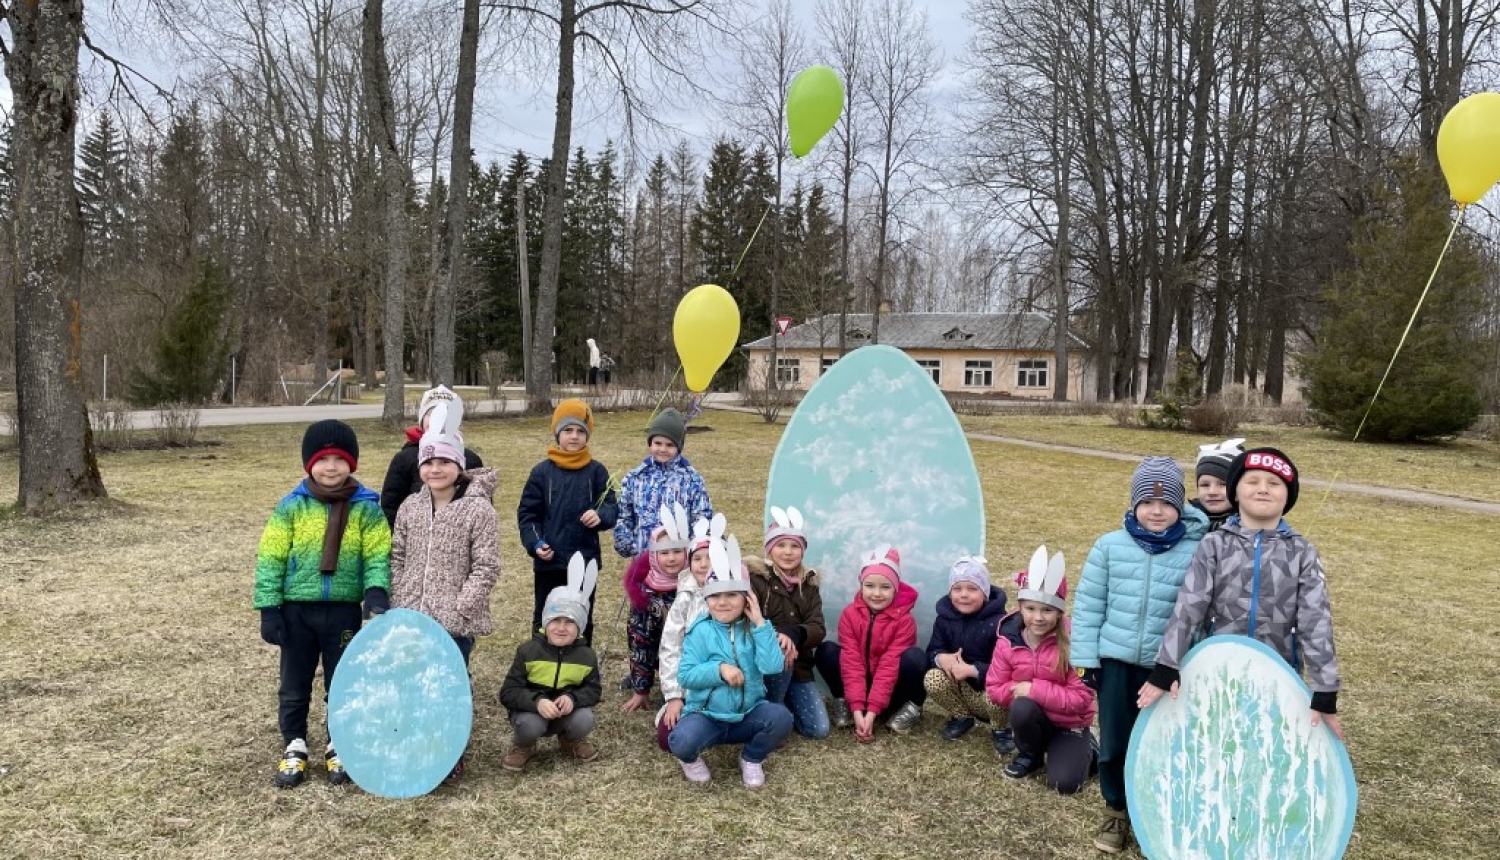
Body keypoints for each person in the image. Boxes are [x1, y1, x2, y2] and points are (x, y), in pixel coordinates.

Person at [1139, 447, 1343, 735]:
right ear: (1235, 493)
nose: (1263, 489)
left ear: (1288, 496)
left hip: (1278, 673)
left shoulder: (1302, 552)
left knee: (1266, 742)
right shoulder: (1214, 545)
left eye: (1274, 483)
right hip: (1216, 671)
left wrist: (1325, 688)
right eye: (1252, 481)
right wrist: (1166, 665)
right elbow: (1188, 607)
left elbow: (1316, 620)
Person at [1071, 456, 1208, 855]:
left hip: (1167, 668)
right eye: (1147, 502)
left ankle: (1156, 811)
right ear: (1134, 505)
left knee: (1165, 741)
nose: (1157, 511)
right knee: (1115, 741)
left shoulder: (1197, 550)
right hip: (1115, 663)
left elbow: (1198, 612)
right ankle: (1116, 810)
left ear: (1181, 507)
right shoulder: (1109, 546)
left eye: (1167, 503)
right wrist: (1087, 660)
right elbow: (1089, 606)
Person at [253, 419, 391, 789]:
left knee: (342, 681)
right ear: (309, 464)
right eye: (323, 459)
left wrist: (376, 591)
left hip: (343, 610)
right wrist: (270, 607)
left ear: (352, 464)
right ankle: (294, 743)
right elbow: (271, 557)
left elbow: (378, 554)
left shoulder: (367, 508)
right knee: (294, 682)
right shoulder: (292, 507)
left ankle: (338, 742)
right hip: (297, 611)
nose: (331, 467)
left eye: (339, 459)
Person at [390, 427, 501, 782]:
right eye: (428, 462)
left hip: (454, 620)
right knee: (414, 682)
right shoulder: (410, 506)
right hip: (412, 614)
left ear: (459, 464)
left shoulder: (478, 510)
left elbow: (486, 566)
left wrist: (462, 606)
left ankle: (450, 750)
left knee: (448, 685)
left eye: (444, 462)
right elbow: (397, 556)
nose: (435, 470)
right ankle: (416, 744)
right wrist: (399, 597)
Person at [667, 537, 794, 789]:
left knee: (781, 718)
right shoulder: (700, 630)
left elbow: (772, 667)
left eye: (732, 595)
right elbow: (686, 675)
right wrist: (719, 670)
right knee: (680, 741)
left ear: (747, 598)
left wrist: (760, 625)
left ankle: (751, 757)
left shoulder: (756, 629)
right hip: (707, 715)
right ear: (707, 599)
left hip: (748, 713)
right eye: (715, 596)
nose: (722, 602)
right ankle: (690, 760)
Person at [986, 547, 1098, 794]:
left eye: (1047, 610)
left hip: (1069, 724)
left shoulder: (1074, 642)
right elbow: (994, 688)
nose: (1038, 617)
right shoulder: (1008, 640)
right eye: (1031, 609)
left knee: (1065, 784)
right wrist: (1020, 692)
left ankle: (1085, 747)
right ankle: (1031, 754)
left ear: (1059, 612)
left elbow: (1081, 698)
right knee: (1022, 706)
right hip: (1031, 718)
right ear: (1020, 607)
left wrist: (1034, 689)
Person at [517, 400, 617, 643]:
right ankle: (541, 665)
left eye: (581, 431)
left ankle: (580, 667)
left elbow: (612, 507)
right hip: (549, 563)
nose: (574, 437)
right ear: (557, 434)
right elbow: (528, 514)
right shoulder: (541, 472)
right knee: (545, 615)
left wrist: (600, 515)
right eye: (568, 431)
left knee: (581, 614)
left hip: (585, 562)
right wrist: (536, 543)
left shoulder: (597, 472)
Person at [500, 553, 603, 772]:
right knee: (529, 725)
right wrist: (537, 702)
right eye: (555, 620)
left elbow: (593, 690)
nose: (561, 628)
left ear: (580, 628)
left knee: (584, 719)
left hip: (565, 713)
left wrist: (572, 698)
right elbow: (508, 692)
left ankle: (570, 740)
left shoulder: (587, 656)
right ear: (545, 623)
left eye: (570, 622)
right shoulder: (527, 651)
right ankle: (523, 745)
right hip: (531, 712)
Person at [815, 546, 927, 740]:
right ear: (861, 585)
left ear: (896, 588)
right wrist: (858, 708)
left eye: (885, 587)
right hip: (859, 685)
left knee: (915, 658)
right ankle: (845, 704)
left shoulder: (905, 621)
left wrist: (873, 711)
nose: (876, 593)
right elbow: (851, 662)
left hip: (889, 687)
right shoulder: (849, 615)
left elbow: (889, 667)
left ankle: (905, 708)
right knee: (827, 651)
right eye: (870, 586)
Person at [746, 506, 830, 740]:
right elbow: (747, 622)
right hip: (766, 666)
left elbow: (818, 627)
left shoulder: (809, 585)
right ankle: (771, 712)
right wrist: (778, 636)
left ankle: (786, 705)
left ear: (802, 551)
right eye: (781, 545)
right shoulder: (756, 581)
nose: (788, 552)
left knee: (819, 730)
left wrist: (794, 633)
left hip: (799, 667)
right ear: (770, 550)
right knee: (780, 648)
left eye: (795, 546)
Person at [923, 554, 1011, 751]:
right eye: (957, 588)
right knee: (932, 677)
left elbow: (1008, 668)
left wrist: (974, 670)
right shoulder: (944, 619)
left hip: (989, 692)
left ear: (985, 593)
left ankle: (1001, 729)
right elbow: (932, 650)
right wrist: (940, 658)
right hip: (962, 689)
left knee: (998, 693)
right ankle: (962, 716)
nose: (963, 595)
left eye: (972, 589)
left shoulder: (999, 624)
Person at [655, 515, 720, 751]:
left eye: (711, 558)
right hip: (690, 685)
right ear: (689, 563)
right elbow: (670, 648)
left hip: (725, 682)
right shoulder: (684, 599)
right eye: (698, 558)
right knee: (667, 739)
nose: (704, 564)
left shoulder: (734, 596)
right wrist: (674, 697)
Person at [611, 407, 712, 559]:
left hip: (678, 559)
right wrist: (627, 543)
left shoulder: (692, 480)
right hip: (643, 557)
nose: (663, 449)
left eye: (670, 445)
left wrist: (693, 547)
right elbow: (624, 515)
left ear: (679, 447)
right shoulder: (635, 478)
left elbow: (701, 517)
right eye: (658, 443)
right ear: (650, 444)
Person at [380, 385, 484, 527]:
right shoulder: (405, 459)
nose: (438, 418)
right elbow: (390, 506)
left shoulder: (470, 460)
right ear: (422, 420)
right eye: (431, 413)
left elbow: (482, 505)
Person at [622, 505, 690, 712]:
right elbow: (640, 643)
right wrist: (641, 689)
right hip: (662, 656)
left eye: (677, 551)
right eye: (664, 553)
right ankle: (656, 684)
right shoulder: (646, 595)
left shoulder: (698, 585)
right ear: (653, 556)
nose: (671, 558)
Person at [1190, 437, 1245, 532]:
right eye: (1205, 485)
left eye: (1223, 484)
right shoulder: (1185, 522)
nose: (1212, 492)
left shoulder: (1250, 525)